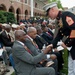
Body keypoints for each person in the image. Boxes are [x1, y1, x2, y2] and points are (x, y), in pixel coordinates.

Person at [43, 2, 75, 75]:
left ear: (52, 10)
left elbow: (74, 30)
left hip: (72, 44)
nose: (48, 16)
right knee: (71, 68)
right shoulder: (59, 19)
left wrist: (66, 44)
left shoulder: (66, 15)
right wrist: (52, 45)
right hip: (72, 46)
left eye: (48, 13)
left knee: (73, 66)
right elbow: (59, 34)